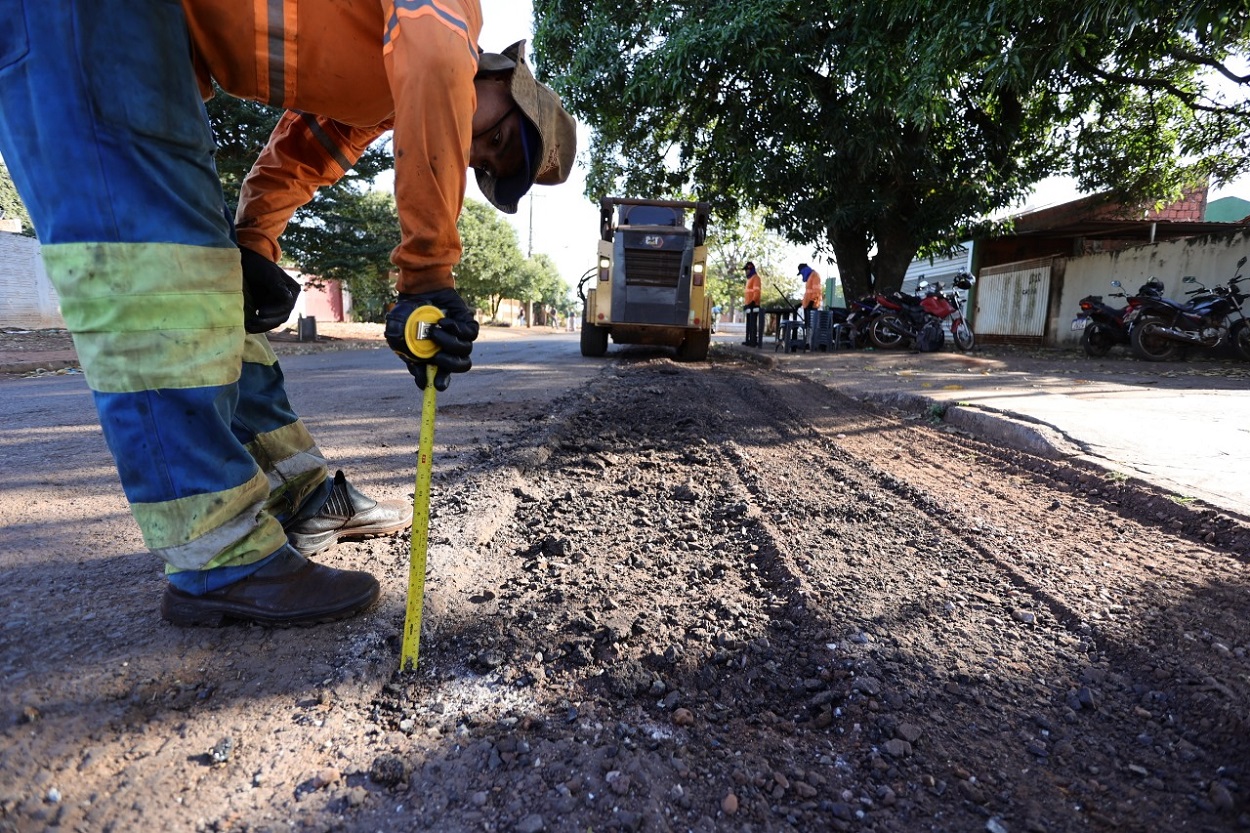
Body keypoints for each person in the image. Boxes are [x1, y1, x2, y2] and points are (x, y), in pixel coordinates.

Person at [0, 2, 576, 628]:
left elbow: (291, 164)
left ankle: (300, 494)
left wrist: (252, 249)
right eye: (495, 138)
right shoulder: (452, 27)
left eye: (485, 168)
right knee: (158, 285)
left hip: (151, 42)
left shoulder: (374, 95)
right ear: (503, 77)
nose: (473, 153)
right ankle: (220, 560)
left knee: (207, 287)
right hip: (88, 24)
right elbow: (436, 68)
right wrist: (428, 276)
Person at [798, 263, 824, 350]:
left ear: (804, 270)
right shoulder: (810, 277)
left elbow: (816, 292)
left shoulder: (815, 276)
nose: (801, 275)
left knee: (812, 326)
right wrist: (801, 304)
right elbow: (808, 293)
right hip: (807, 305)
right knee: (808, 325)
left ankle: (812, 344)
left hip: (812, 306)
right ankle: (808, 343)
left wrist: (811, 303)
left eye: (801, 273)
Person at [743, 261, 763, 347]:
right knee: (749, 324)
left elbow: (757, 291)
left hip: (753, 304)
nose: (745, 272)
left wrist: (754, 301)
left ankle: (753, 341)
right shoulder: (749, 279)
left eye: (746, 270)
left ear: (750, 269)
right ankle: (749, 340)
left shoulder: (756, 278)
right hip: (748, 304)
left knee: (753, 324)